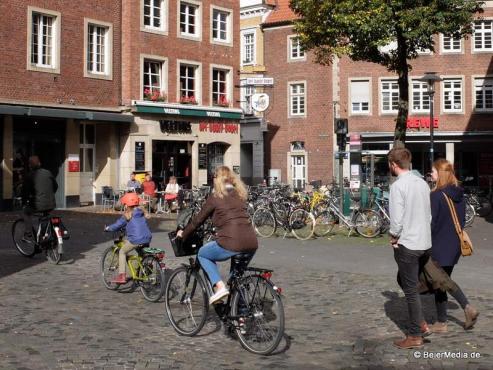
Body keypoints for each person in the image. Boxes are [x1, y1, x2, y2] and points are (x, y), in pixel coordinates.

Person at [177, 166, 258, 304]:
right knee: (236, 279)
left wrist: (183, 234)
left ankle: (219, 286)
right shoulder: (239, 194)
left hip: (231, 241)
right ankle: (240, 313)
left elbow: (197, 220)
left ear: (216, 179)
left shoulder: (216, 197)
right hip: (251, 241)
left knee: (203, 254)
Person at [388, 148, 432, 349]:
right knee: (406, 281)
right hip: (423, 242)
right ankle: (420, 321)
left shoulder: (398, 187)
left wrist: (394, 236)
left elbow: (396, 220)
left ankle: (415, 334)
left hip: (408, 243)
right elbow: (428, 215)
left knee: (411, 290)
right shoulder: (422, 183)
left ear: (394, 165)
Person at [429, 158, 479, 332]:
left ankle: (464, 309)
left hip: (438, 245)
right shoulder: (459, 194)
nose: (431, 174)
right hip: (454, 245)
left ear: (440, 174)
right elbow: (462, 221)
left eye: (433, 171)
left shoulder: (436, 196)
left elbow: (432, 223)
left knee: (441, 282)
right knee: (442, 281)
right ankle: (442, 321)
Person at [105, 192, 152, 284]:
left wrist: (108, 228)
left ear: (126, 205)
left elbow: (117, 225)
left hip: (136, 239)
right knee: (142, 252)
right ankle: (146, 269)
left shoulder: (127, 215)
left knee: (122, 251)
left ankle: (122, 276)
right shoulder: (142, 212)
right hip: (147, 237)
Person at [22, 156, 58, 244]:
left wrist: (24, 202)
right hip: (51, 204)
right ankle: (44, 235)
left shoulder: (29, 176)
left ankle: (28, 234)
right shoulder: (48, 172)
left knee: (25, 212)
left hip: (38, 205)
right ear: (40, 163)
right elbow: (56, 186)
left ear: (30, 166)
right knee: (45, 216)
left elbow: (25, 193)